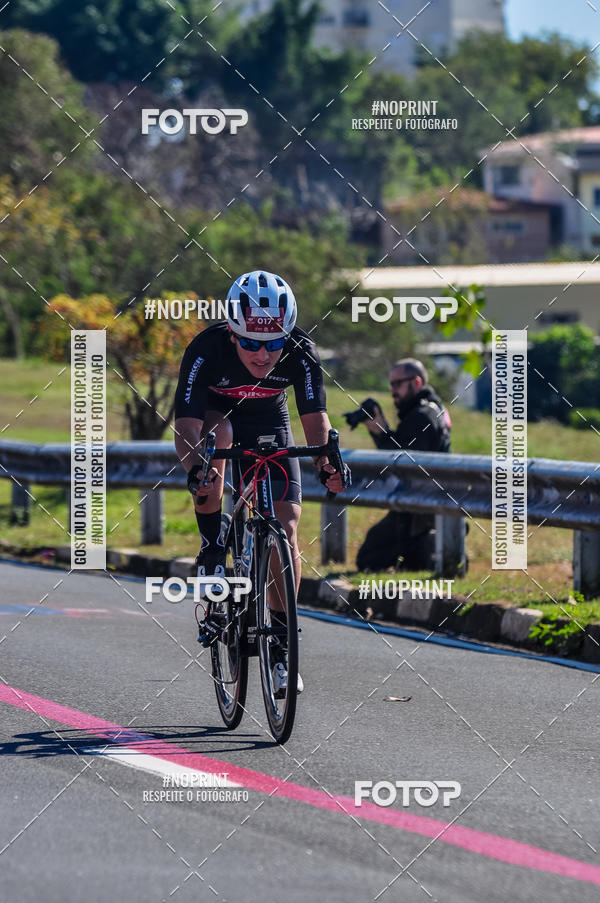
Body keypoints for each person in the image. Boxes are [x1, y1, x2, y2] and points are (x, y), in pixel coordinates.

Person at [174, 270, 345, 695]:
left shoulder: (302, 351)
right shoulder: (205, 349)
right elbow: (186, 426)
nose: (263, 355)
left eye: (273, 344)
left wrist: (327, 461)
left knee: (285, 532)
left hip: (270, 417)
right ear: (232, 332)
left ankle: (284, 649)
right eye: (251, 342)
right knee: (220, 440)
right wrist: (198, 468)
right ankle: (214, 545)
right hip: (219, 416)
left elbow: (315, 420)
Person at [355, 358, 451, 572]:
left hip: (419, 509)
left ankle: (427, 549)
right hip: (421, 506)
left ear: (416, 382)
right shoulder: (433, 409)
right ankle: (421, 552)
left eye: (398, 384)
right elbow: (404, 449)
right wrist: (383, 432)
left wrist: (382, 432)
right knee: (377, 552)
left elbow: (402, 461)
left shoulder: (421, 416)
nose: (393, 391)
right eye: (391, 384)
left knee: (368, 558)